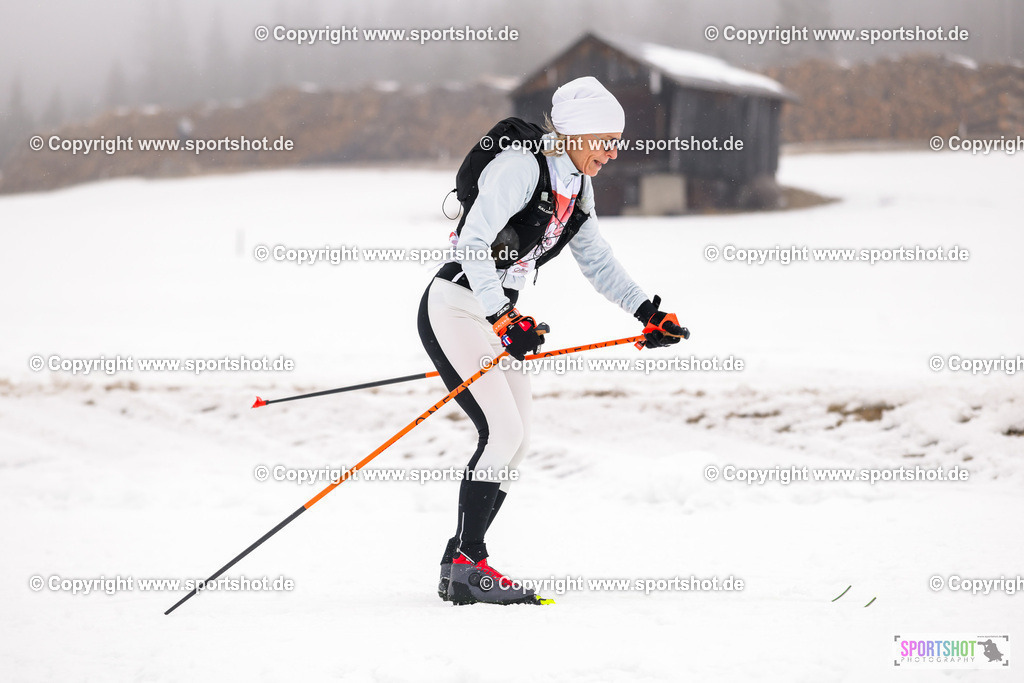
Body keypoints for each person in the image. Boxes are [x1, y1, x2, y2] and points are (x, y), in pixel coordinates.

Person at [417, 76, 687, 606]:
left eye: (617, 142)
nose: (612, 152)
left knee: (517, 442)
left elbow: (596, 259)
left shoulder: (576, 187)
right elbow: (473, 241)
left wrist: (646, 312)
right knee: (502, 429)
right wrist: (502, 317)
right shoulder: (521, 166)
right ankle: (469, 565)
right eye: (605, 140)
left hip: (499, 318)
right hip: (458, 305)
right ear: (576, 134)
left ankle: (461, 560)